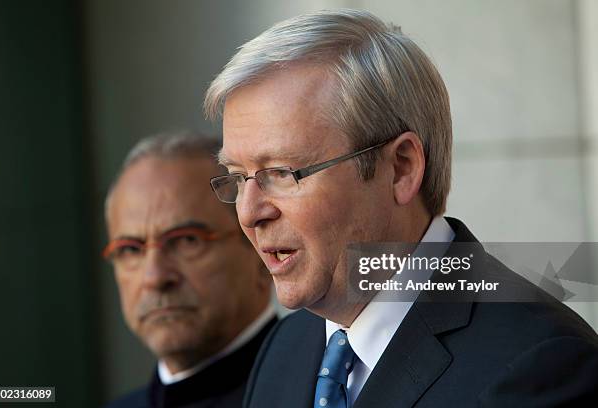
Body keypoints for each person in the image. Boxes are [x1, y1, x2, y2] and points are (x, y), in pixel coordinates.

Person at [203, 9, 598, 407]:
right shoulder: (284, 349)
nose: (250, 213)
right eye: (238, 177)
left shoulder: (541, 366)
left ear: (401, 169)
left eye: (283, 173)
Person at [102, 133, 276, 408]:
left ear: (261, 253)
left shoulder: (323, 392)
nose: (155, 278)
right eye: (131, 249)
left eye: (187, 240)